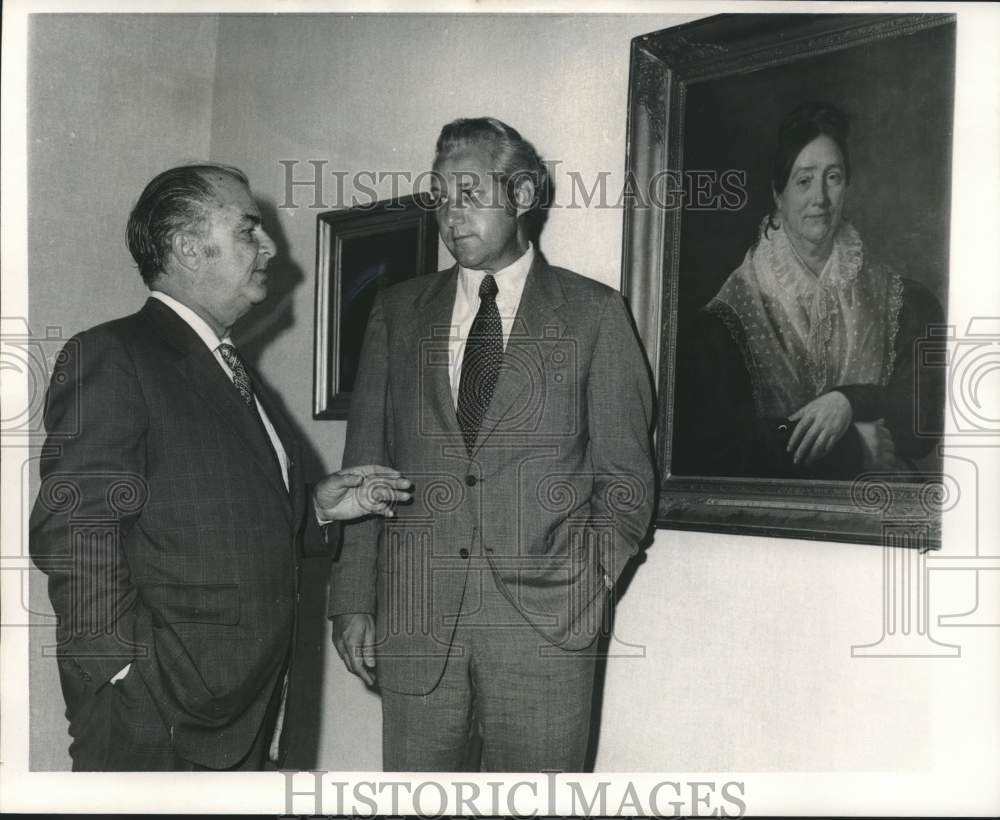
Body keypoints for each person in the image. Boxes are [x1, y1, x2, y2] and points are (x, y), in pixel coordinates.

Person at [29, 163, 411, 771]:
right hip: (158, 715)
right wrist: (125, 672)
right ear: (187, 247)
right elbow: (74, 532)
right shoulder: (114, 354)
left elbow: (209, 513)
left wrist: (314, 507)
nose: (269, 249)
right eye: (248, 231)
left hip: (242, 707)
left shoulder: (228, 367)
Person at [328, 117, 656, 772]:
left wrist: (587, 584)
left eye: (470, 193)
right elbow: (363, 469)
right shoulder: (396, 312)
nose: (451, 215)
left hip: (546, 630)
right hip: (416, 621)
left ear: (524, 196)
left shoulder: (595, 314)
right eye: (441, 197)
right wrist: (353, 600)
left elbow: (627, 481)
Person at [674, 101, 945, 479]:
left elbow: (921, 433)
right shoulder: (725, 318)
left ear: (847, 184)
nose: (820, 197)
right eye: (804, 180)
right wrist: (854, 446)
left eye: (832, 177)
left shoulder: (906, 302)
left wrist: (849, 401)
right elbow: (716, 449)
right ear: (778, 194)